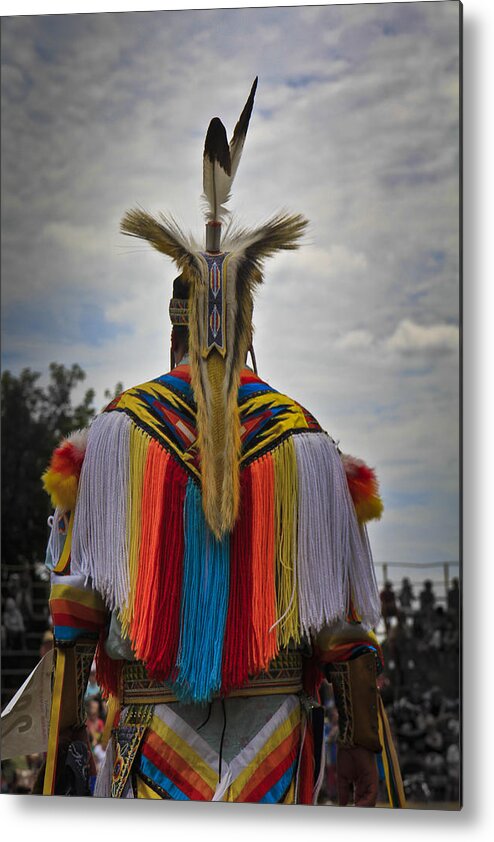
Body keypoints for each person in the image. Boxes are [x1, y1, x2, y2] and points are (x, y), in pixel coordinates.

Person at [39, 80, 404, 806]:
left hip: (153, 734)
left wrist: (63, 743)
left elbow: (75, 614)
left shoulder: (113, 438)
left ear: (175, 326)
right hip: (277, 738)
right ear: (245, 325)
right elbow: (344, 624)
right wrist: (361, 747)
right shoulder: (306, 443)